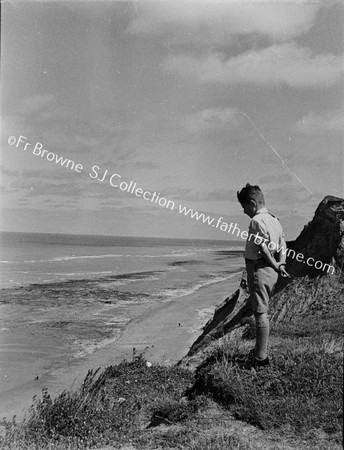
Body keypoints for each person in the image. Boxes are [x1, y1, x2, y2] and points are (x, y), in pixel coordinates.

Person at [237, 183, 290, 368]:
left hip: (260, 269)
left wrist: (274, 263)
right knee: (263, 311)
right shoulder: (275, 220)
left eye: (244, 207)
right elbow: (283, 245)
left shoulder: (256, 221)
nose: (244, 212)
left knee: (260, 313)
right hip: (271, 271)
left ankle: (260, 358)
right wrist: (280, 263)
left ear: (252, 203)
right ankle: (261, 352)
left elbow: (263, 248)